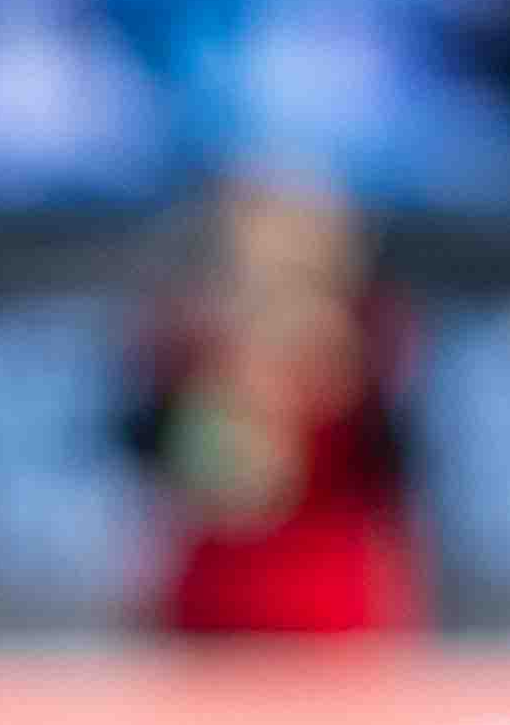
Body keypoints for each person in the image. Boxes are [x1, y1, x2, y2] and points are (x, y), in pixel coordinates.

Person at [130, 176, 422, 642]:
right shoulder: (191, 341)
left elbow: (396, 479)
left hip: (329, 605)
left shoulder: (371, 337)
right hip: (217, 603)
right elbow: (208, 481)